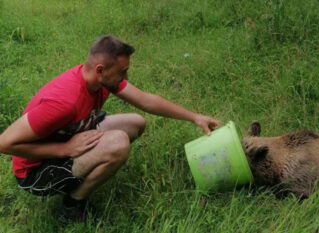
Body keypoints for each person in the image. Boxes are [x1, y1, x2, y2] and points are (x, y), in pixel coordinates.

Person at [0, 35, 220, 223]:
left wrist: (195, 117)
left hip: (68, 138)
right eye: (122, 72)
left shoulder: (100, 82)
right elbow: (4, 143)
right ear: (100, 69)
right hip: (35, 173)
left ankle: (83, 175)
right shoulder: (63, 102)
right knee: (118, 142)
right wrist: (64, 149)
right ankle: (72, 205)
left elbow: (146, 101)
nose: (125, 77)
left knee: (134, 123)